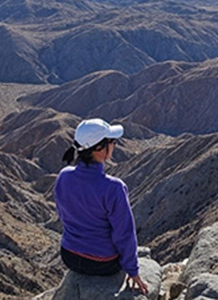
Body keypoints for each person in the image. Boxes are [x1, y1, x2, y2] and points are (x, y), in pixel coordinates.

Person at [54, 118, 149, 295]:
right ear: (99, 149)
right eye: (111, 141)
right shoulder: (114, 188)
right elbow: (124, 234)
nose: (114, 145)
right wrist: (133, 271)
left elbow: (63, 214)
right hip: (103, 263)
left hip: (69, 256)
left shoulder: (64, 176)